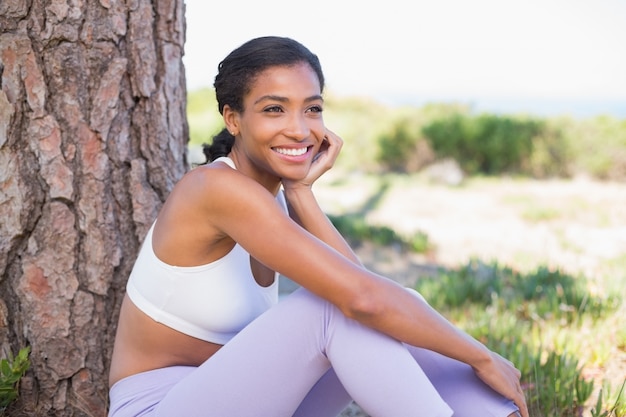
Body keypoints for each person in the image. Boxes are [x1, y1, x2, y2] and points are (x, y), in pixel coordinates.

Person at [107, 36, 528, 417]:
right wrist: (481, 356)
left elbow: (370, 294)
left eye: (312, 109)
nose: (299, 128)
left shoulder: (270, 195)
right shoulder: (214, 188)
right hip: (158, 407)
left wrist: (301, 193)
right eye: (274, 109)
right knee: (333, 307)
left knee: (397, 303)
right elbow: (361, 299)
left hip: (245, 402)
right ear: (233, 119)